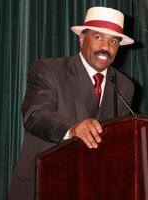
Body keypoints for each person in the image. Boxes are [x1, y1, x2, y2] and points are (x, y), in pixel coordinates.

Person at [8, 6, 135, 200]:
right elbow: (35, 115)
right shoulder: (48, 70)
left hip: (92, 190)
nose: (106, 47)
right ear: (82, 39)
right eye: (98, 37)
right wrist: (72, 129)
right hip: (42, 187)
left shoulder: (124, 85)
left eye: (113, 41)